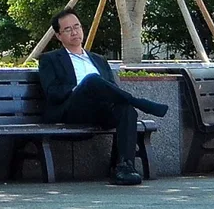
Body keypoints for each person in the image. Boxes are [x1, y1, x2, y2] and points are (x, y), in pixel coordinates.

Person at [37, 9, 169, 186]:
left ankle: (124, 167)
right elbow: (52, 91)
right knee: (91, 80)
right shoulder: (49, 59)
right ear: (58, 36)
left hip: (100, 111)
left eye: (77, 26)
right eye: (68, 29)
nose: (74, 32)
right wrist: (79, 88)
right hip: (71, 110)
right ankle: (139, 102)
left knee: (126, 109)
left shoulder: (98, 60)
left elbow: (112, 89)